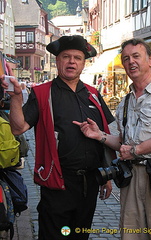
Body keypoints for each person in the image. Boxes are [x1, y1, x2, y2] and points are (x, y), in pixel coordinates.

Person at [0, 35, 115, 240]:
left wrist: (107, 176)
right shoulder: (43, 93)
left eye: (77, 58)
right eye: (66, 57)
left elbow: (105, 134)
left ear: (83, 63)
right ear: (57, 61)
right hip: (58, 184)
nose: (72, 61)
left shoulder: (93, 94)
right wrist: (16, 98)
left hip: (89, 183)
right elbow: (18, 129)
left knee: (80, 235)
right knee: (56, 236)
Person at [73, 38, 151, 240]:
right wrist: (100, 136)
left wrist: (134, 151)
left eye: (136, 56)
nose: (131, 62)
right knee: (131, 233)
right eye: (126, 58)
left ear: (150, 60)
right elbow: (123, 143)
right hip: (131, 178)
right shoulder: (126, 101)